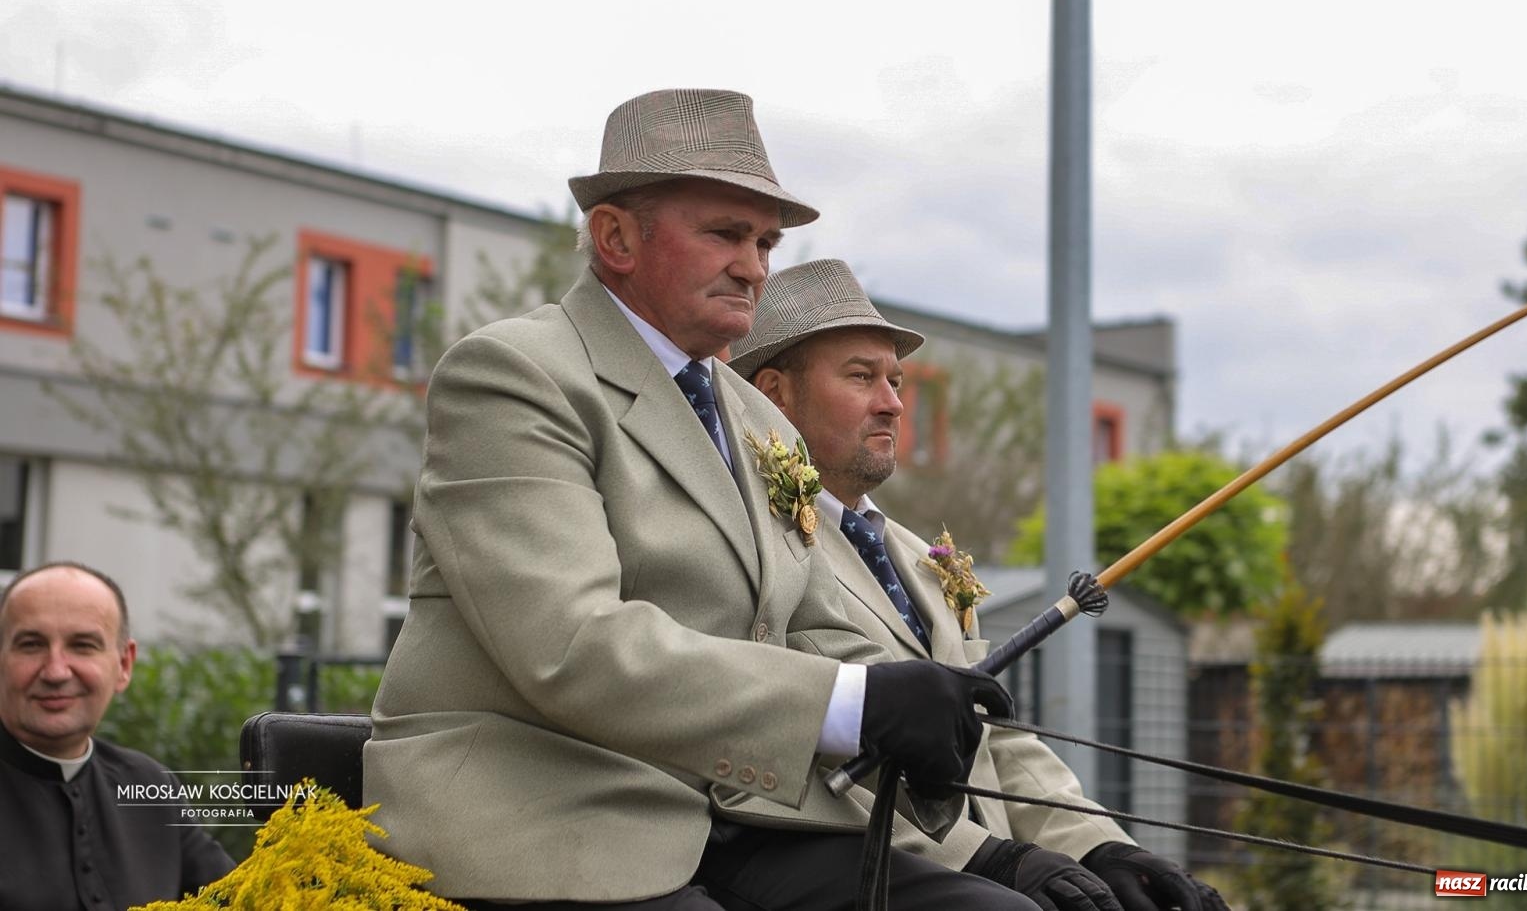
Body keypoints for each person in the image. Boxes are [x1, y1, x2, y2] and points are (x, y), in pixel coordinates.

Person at [365, 89, 1030, 911]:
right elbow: (570, 644)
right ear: (615, 237)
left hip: (735, 815)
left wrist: (923, 713)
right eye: (724, 233)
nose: (754, 266)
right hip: (547, 809)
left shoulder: (755, 416)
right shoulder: (515, 375)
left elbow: (812, 623)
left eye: (765, 241)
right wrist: (857, 705)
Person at [728, 259, 1232, 911]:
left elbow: (997, 737)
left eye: (896, 380)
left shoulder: (924, 557)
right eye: (860, 377)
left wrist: (1099, 848)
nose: (892, 402)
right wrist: (987, 859)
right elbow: (793, 753)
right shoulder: (753, 542)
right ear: (774, 393)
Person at [0, 562, 234, 910]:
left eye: (83, 645)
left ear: (124, 665)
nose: (56, 671)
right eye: (31, 644)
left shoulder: (149, 785)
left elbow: (243, 898)